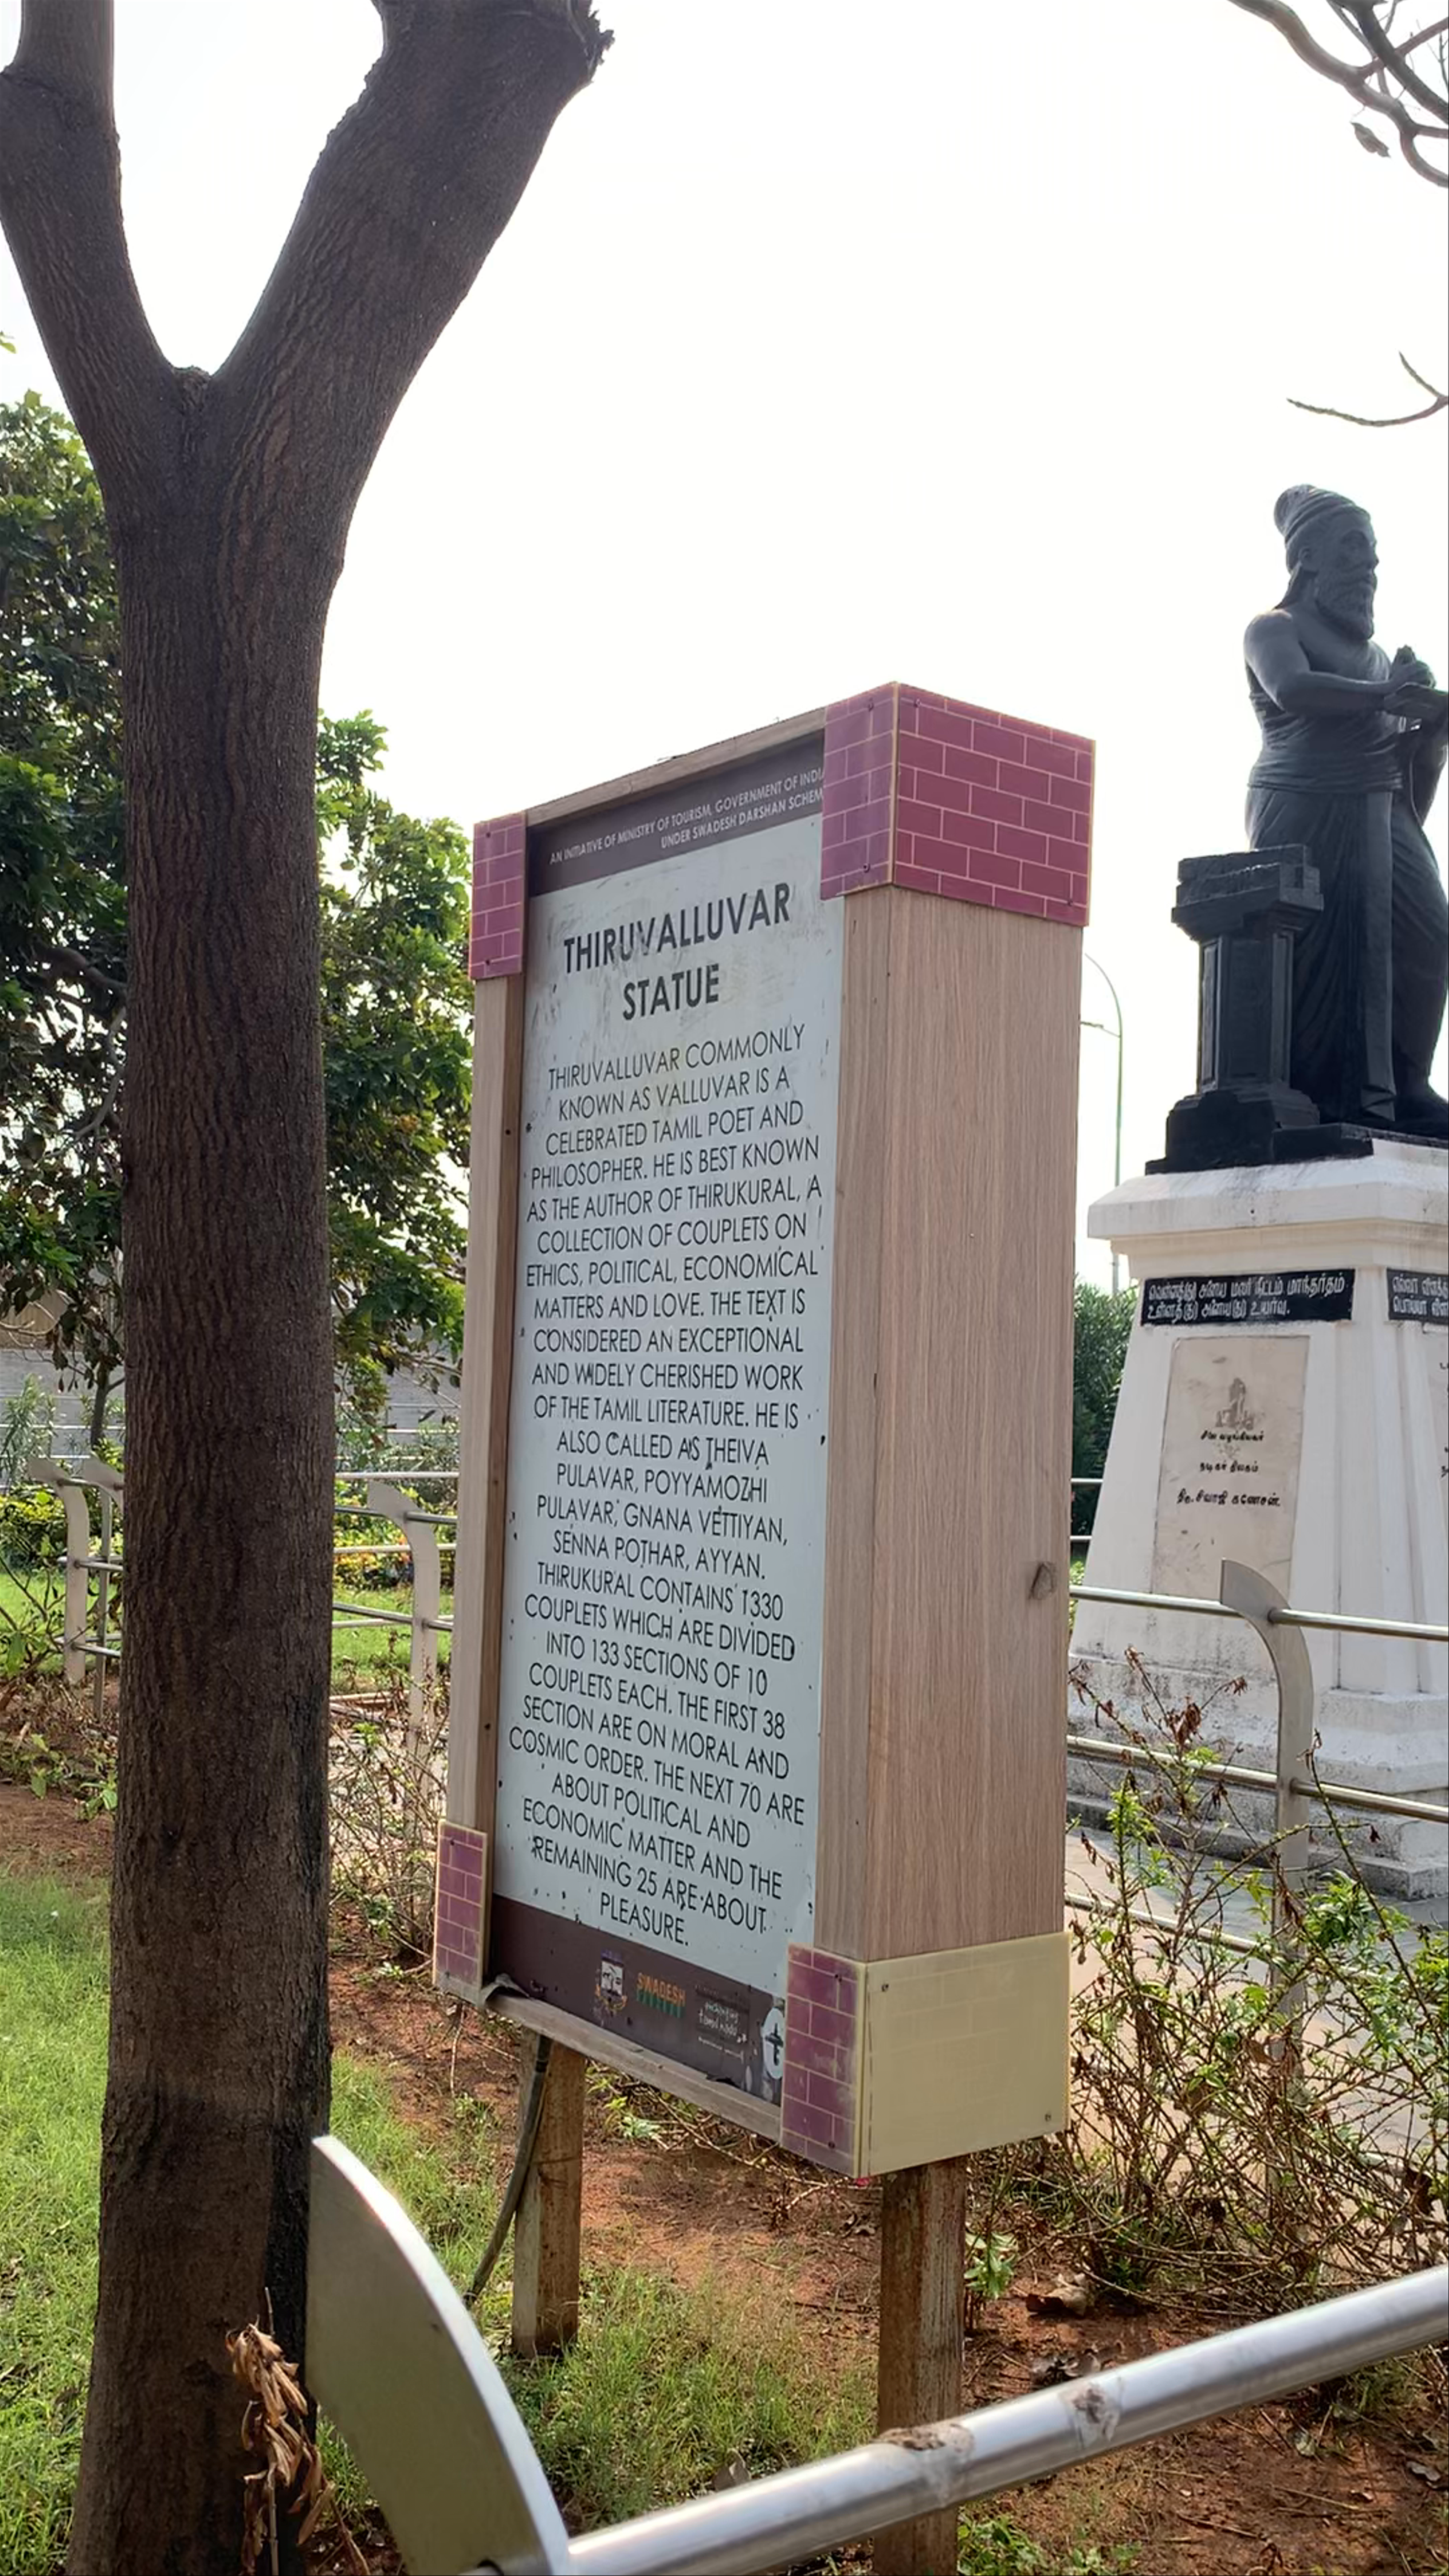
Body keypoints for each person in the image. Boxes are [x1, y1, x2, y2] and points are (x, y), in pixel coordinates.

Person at [1244, 484, 1448, 1137]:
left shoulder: (1379, 659)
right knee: (1338, 945)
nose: (1370, 565)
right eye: (1353, 548)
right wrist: (1385, 693)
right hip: (1304, 802)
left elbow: (1408, 773)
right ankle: (1336, 1090)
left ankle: (1407, 1084)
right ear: (1307, 557)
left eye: (1374, 552)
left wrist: (1432, 729)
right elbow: (1293, 689)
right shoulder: (1272, 629)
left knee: (1429, 931)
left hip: (1381, 807)